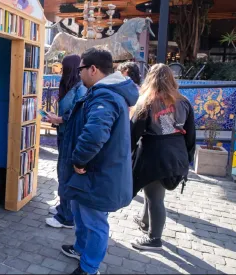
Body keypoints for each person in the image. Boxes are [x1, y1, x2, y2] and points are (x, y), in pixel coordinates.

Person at [58, 48, 139, 275]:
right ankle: (81, 249)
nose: (79, 73)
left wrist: (79, 160)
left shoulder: (105, 95)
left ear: (93, 69)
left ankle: (89, 267)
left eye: (81, 68)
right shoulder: (102, 93)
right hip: (93, 172)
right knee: (82, 213)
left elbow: (95, 134)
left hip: (96, 173)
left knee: (94, 222)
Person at [130, 64, 195, 250]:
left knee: (155, 197)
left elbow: (133, 133)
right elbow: (191, 135)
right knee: (153, 193)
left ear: (150, 79)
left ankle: (154, 239)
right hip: (177, 152)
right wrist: (187, 159)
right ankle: (145, 221)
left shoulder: (146, 103)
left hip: (155, 155)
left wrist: (126, 155)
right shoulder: (184, 102)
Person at [45, 55, 87, 229]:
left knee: (65, 173)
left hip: (71, 136)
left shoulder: (81, 88)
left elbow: (78, 112)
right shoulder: (72, 86)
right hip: (64, 134)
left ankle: (66, 216)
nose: (61, 72)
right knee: (62, 171)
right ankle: (64, 207)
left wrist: (60, 119)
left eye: (63, 68)